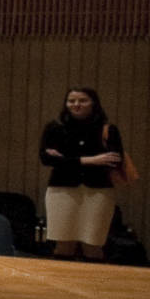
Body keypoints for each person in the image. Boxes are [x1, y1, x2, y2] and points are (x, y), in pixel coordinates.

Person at [39, 86, 127, 260]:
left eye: (82, 100)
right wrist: (91, 160)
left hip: (98, 191)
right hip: (62, 190)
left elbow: (114, 160)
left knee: (93, 244)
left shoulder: (108, 130)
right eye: (71, 101)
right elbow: (46, 159)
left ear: (93, 104)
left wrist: (67, 160)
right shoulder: (55, 128)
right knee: (63, 243)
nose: (76, 104)